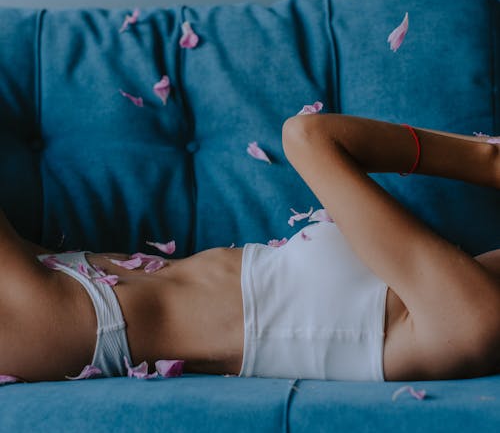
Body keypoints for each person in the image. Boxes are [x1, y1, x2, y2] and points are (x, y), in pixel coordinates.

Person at [1, 113, 499, 384]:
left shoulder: (23, 305)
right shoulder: (21, 322)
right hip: (421, 321)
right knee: (304, 137)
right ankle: (490, 158)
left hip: (378, 310)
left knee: (305, 136)